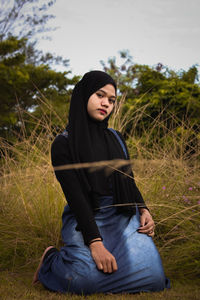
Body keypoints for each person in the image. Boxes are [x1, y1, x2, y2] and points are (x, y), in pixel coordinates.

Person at [33, 70, 170, 294]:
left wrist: (143, 209)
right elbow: (76, 198)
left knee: (154, 279)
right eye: (100, 95)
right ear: (84, 95)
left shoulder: (116, 138)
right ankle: (51, 259)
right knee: (82, 281)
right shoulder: (64, 143)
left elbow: (128, 180)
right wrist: (95, 243)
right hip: (87, 215)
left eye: (112, 100)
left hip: (123, 214)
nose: (106, 103)